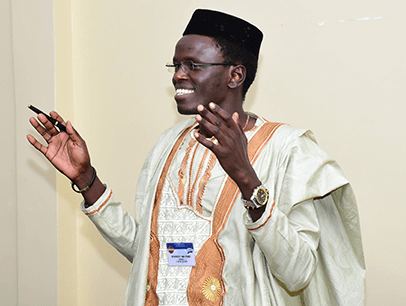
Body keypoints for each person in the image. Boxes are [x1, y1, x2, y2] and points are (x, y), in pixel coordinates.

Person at [27, 9, 365, 306]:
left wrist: (246, 178)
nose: (178, 75)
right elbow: (151, 254)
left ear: (236, 74)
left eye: (193, 65)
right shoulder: (169, 145)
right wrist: (87, 180)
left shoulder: (289, 151)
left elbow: (298, 272)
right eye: (175, 65)